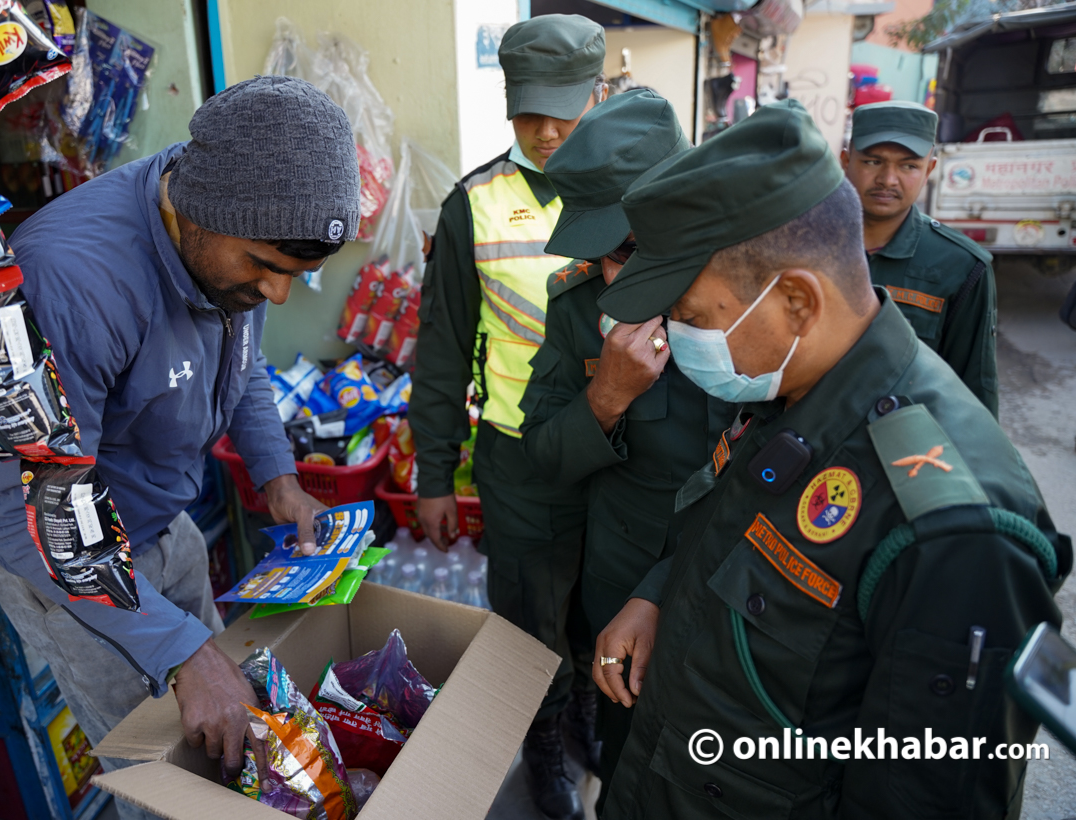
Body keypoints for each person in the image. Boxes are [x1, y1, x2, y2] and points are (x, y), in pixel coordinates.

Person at [592, 100, 1071, 819]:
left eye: (692, 317)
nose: (678, 337)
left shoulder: (955, 534)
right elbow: (737, 537)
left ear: (795, 301)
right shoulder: (793, 384)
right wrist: (661, 593)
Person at [0, 77, 359, 819]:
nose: (279, 295)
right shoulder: (64, 284)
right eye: (265, 266)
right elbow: (34, 517)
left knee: (227, 741)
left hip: (164, 526)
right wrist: (180, 652)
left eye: (296, 273)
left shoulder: (228, 251)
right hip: (68, 567)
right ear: (199, 217)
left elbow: (240, 365)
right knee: (167, 792)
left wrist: (277, 475)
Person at [407, 14, 606, 820]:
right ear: (507, 103)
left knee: (603, 605)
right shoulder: (475, 206)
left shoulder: (638, 189)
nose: (549, 129)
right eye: (530, 112)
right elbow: (443, 347)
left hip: (620, 450)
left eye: (565, 108)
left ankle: (593, 713)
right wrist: (433, 473)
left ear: (598, 96)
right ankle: (543, 747)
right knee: (530, 624)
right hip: (521, 458)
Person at [518, 88, 734, 807]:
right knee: (626, 766)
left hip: (733, 586)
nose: (616, 279)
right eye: (601, 255)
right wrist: (605, 397)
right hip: (616, 591)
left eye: (632, 251)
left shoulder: (752, 295)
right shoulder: (579, 303)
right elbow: (543, 457)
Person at [842, 101, 998, 416]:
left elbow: (974, 396)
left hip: (905, 453)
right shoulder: (802, 245)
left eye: (908, 166)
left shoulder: (962, 266)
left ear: (929, 170)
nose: (888, 179)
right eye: (873, 161)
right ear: (846, 161)